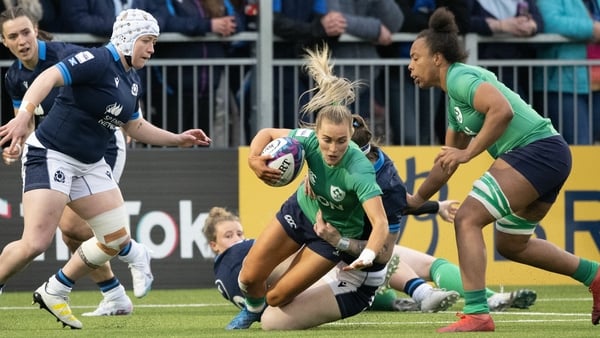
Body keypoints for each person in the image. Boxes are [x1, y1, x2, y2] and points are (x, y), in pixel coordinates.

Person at [0, 8, 211, 329]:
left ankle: (57, 290)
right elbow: (48, 77)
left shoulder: (132, 78)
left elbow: (136, 125)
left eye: (25, 32)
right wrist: (21, 121)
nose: (152, 49)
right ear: (129, 39)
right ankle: (121, 272)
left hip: (93, 159)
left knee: (113, 237)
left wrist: (178, 139)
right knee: (36, 244)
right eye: (148, 42)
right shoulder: (96, 60)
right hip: (53, 153)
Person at [406, 7, 600, 332]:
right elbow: (446, 163)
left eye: (415, 57)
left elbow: (502, 111)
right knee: (512, 244)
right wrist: (416, 199)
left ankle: (478, 313)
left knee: (467, 218)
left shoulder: (460, 77)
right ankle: (594, 275)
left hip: (537, 151)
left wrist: (468, 153)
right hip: (550, 154)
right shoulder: (454, 102)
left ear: (437, 58)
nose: (410, 66)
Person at [0, 5, 155, 316]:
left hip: (100, 147)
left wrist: (123, 119)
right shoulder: (14, 76)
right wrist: (16, 143)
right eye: (13, 36)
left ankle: (129, 253)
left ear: (37, 30)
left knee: (71, 227)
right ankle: (115, 291)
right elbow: (26, 122)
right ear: (4, 42)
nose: (21, 41)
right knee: (72, 232)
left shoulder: (63, 54)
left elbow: (110, 72)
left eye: (26, 32)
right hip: (61, 150)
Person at [226, 43, 392, 330]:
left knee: (276, 297)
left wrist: (367, 255)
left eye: (341, 141)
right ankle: (252, 311)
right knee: (248, 278)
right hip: (301, 211)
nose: (332, 148)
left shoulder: (359, 169)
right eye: (327, 140)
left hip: (330, 237)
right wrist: (255, 160)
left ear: (351, 136)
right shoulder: (308, 140)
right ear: (317, 134)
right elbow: (265, 133)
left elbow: (381, 224)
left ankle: (264, 309)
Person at [533, 0, 599, 145]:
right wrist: (592, 29)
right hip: (562, 82)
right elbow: (550, 22)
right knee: (580, 145)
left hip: (594, 81)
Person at [468, 0, 542, 102]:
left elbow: (538, 20)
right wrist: (499, 25)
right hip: (483, 69)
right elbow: (462, 21)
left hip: (517, 70)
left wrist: (532, 26)